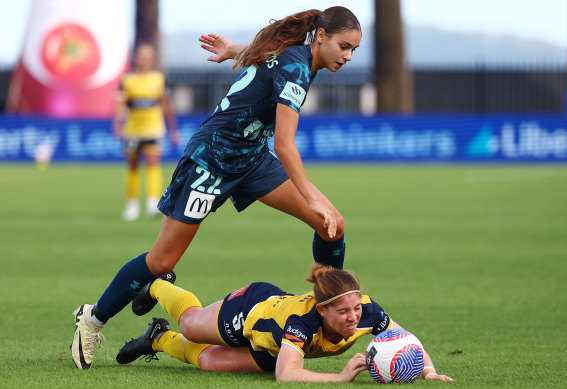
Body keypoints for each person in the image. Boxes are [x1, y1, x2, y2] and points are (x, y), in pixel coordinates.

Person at [71, 6, 360, 370]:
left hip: (251, 158)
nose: (348, 56)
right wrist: (311, 197)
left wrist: (233, 51)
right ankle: (92, 320)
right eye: (344, 46)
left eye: (354, 50)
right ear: (321, 36)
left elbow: (268, 57)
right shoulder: (299, 64)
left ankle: (323, 313)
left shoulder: (297, 54)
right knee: (162, 260)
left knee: (332, 225)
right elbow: (285, 145)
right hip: (212, 159)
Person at [116, 264, 454, 383]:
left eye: (355, 307)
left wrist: (427, 371)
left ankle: (158, 337)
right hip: (253, 312)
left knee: (207, 361)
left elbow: (404, 337)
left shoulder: (366, 311)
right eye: (343, 312)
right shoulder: (301, 322)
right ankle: (158, 283)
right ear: (322, 311)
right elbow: (286, 374)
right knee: (190, 325)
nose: (353, 316)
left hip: (274, 348)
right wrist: (339, 377)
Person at [113, 43, 179, 221]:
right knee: (133, 165)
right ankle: (132, 204)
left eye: (148, 56)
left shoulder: (159, 79)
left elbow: (167, 105)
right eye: (142, 55)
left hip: (153, 129)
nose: (145, 59)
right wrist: (117, 124)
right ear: (137, 57)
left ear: (152, 59)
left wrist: (173, 130)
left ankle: (152, 203)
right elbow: (119, 104)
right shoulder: (127, 80)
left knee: (153, 163)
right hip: (133, 130)